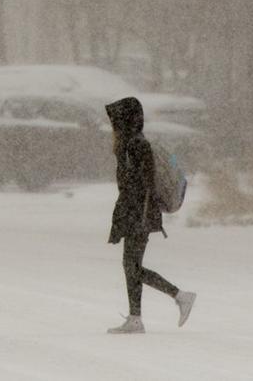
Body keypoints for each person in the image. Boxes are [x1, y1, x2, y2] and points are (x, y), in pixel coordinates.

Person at [105, 96, 196, 334]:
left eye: (115, 121)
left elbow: (142, 184)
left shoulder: (136, 145)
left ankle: (179, 296)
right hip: (136, 213)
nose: (112, 127)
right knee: (131, 265)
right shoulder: (131, 144)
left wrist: (138, 215)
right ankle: (137, 317)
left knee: (132, 266)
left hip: (140, 214)